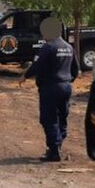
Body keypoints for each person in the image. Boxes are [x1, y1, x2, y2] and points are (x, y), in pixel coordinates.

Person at [20, 17, 79, 162]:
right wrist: (68, 80)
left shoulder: (48, 47)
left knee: (49, 118)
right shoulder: (68, 47)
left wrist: (25, 75)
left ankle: (54, 150)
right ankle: (58, 144)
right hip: (65, 86)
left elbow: (38, 66)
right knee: (62, 116)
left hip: (50, 87)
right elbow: (76, 69)